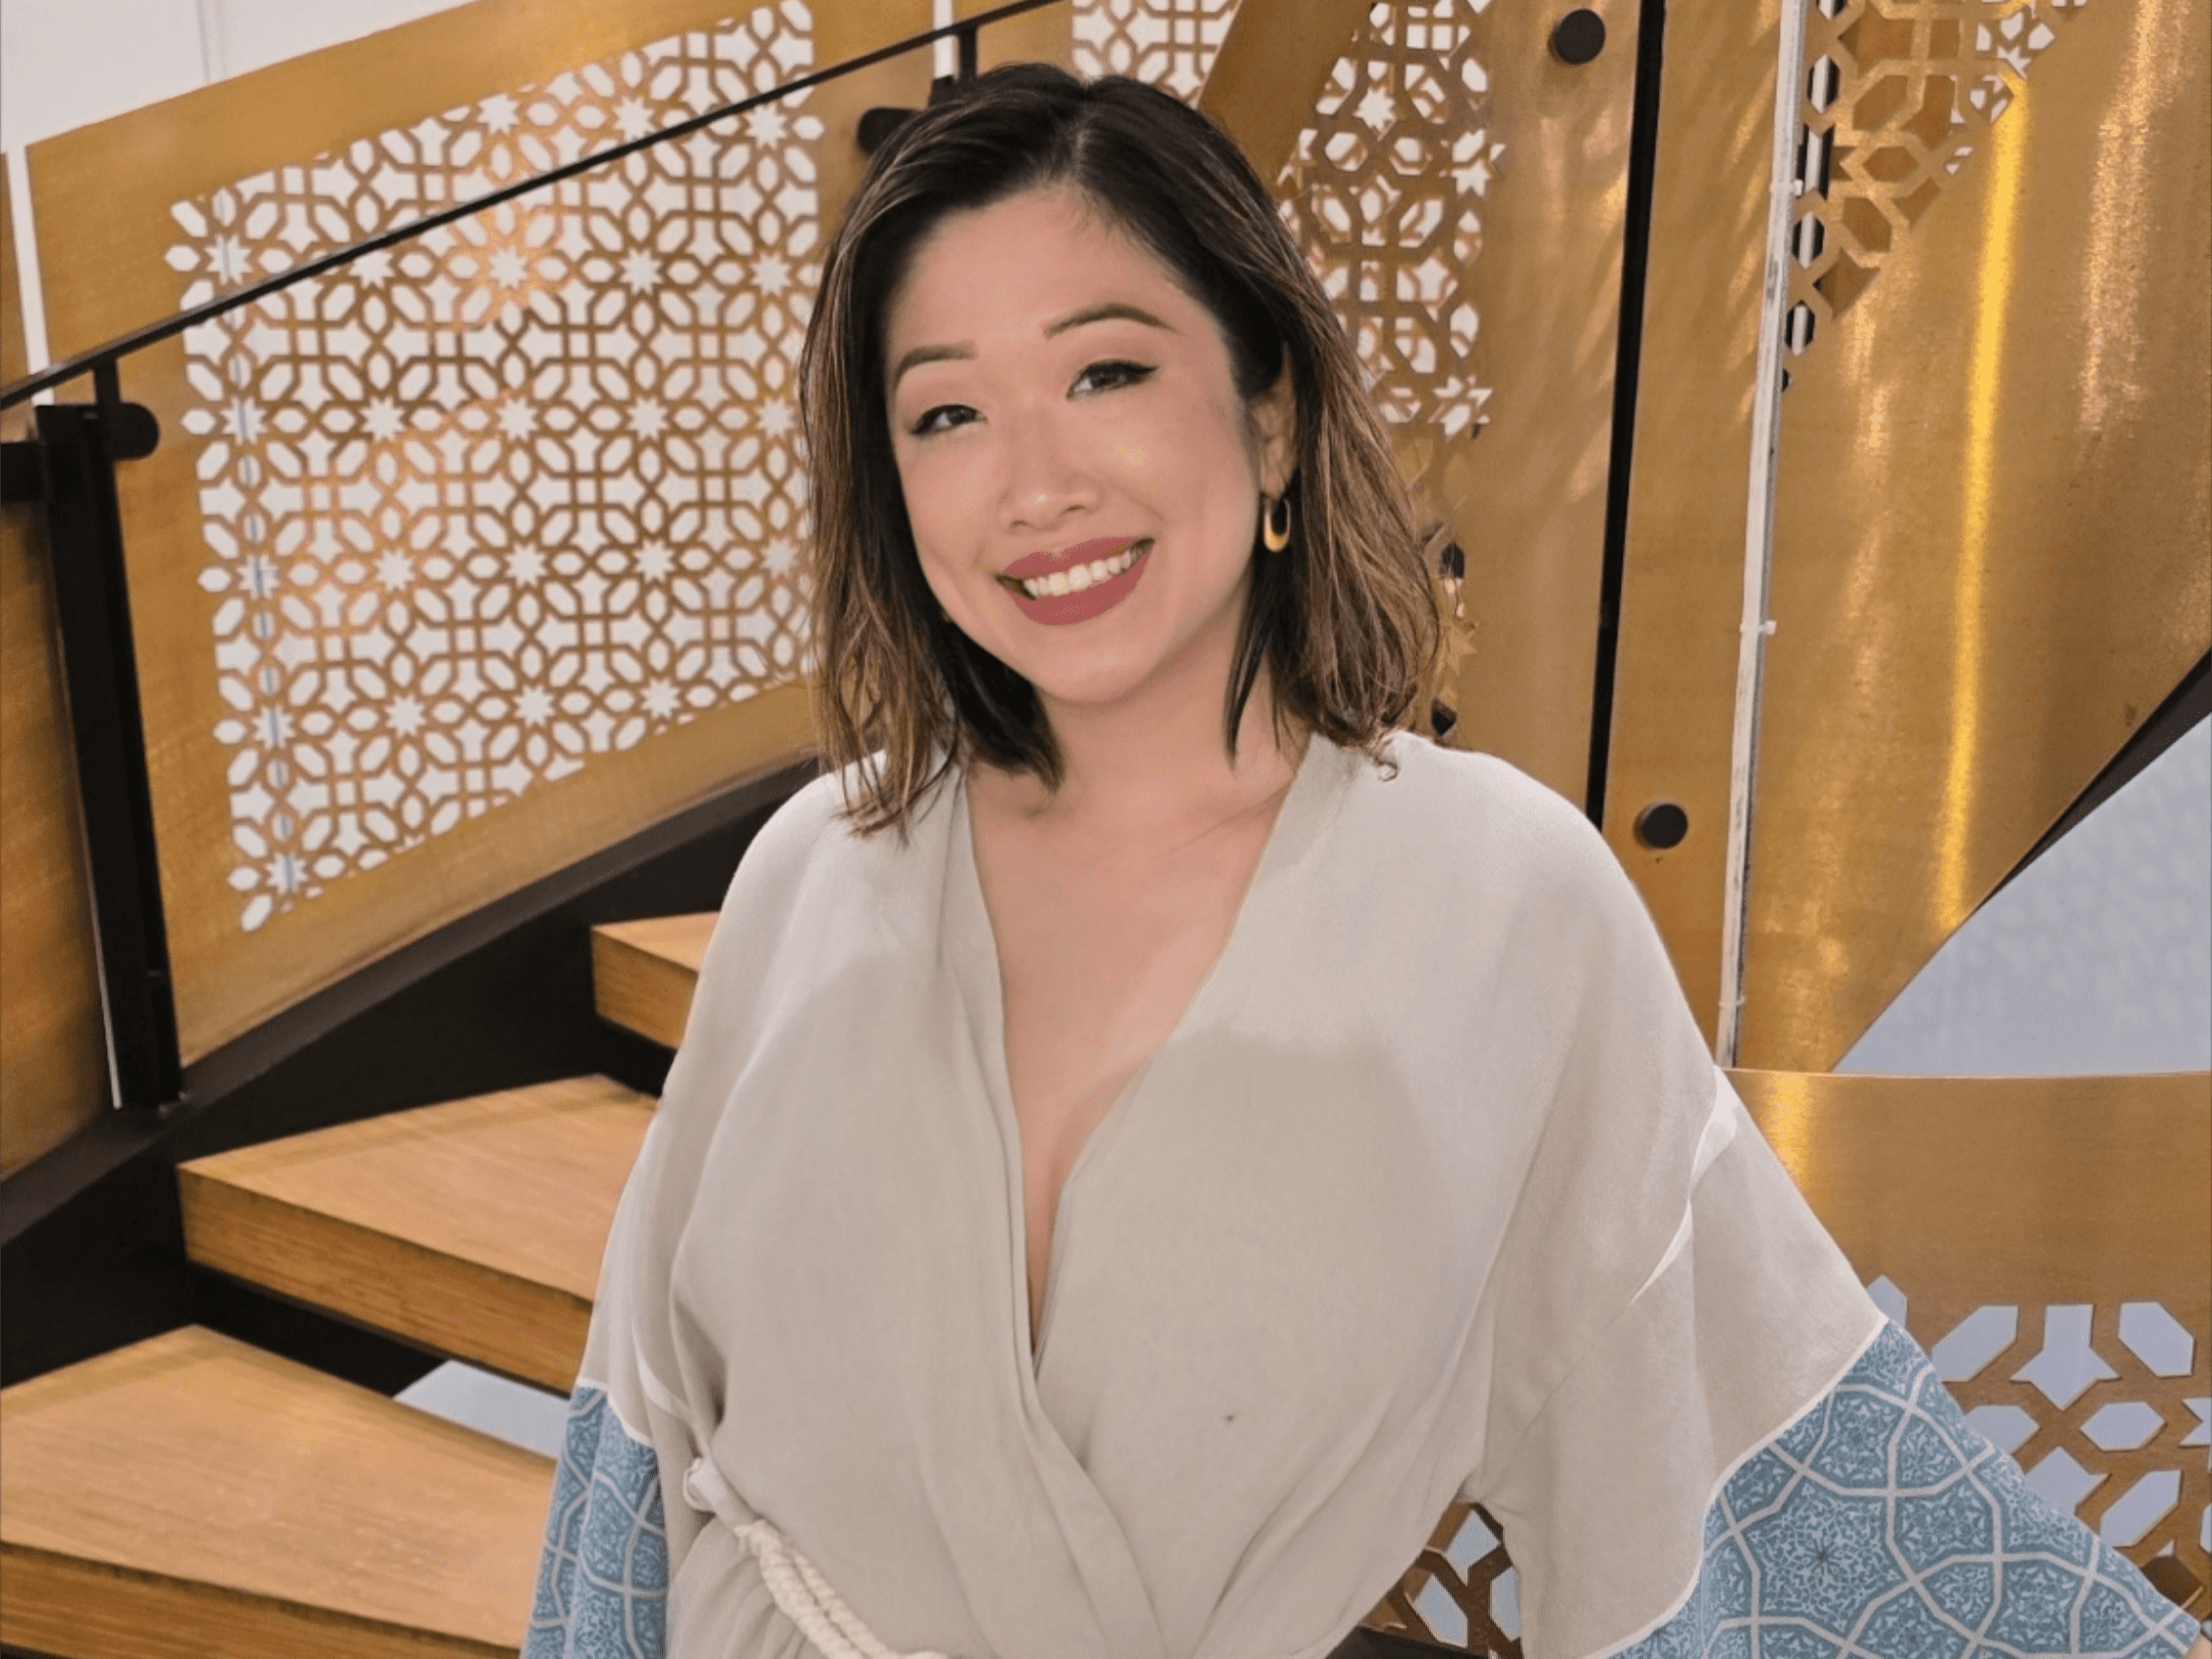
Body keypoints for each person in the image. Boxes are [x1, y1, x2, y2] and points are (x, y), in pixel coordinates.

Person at [523, 65, 2205, 1659]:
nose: (1033, 484)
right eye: (946, 413)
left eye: (1106, 373)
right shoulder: (815, 870)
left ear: (1269, 423)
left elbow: (1743, 1451)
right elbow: (637, 1457)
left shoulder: (1499, 907)